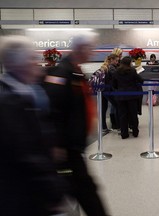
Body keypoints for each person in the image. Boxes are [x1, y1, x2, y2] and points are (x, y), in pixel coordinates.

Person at [43, 34, 108, 216]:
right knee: (86, 193)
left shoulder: (76, 71)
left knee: (77, 191)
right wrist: (57, 143)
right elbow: (53, 108)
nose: (92, 51)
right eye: (90, 48)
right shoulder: (62, 72)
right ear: (80, 48)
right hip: (66, 149)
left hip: (74, 146)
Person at [0, 36, 65, 216]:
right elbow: (26, 153)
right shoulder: (9, 101)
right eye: (31, 59)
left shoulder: (25, 91)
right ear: (17, 64)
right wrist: (53, 190)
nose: (36, 63)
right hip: (23, 197)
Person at [112, 56, 144, 139]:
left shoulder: (116, 72)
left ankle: (124, 133)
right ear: (129, 63)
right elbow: (141, 80)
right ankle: (135, 132)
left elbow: (114, 85)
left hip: (120, 96)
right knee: (133, 114)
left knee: (122, 115)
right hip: (132, 96)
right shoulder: (132, 71)